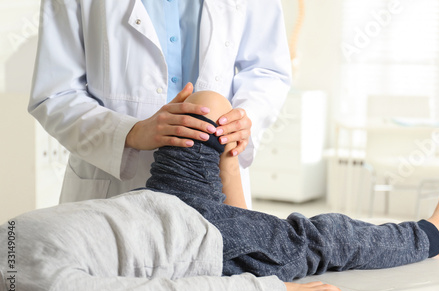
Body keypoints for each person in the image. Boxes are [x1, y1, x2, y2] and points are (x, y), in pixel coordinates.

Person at [1, 90, 439, 291]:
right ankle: (435, 234)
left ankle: (241, 207)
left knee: (205, 106)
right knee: (326, 237)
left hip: (160, 200)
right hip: (208, 247)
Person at [28, 0, 292, 206]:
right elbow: (55, 94)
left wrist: (246, 118)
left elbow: (267, 69)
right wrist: (130, 132)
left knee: (227, 266)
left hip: (217, 173)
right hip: (114, 188)